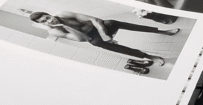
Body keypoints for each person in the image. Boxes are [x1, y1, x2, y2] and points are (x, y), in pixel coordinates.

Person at [28, 11, 178, 65]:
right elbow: (81, 39)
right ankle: (149, 56)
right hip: (90, 36)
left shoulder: (63, 13)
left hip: (99, 28)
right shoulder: (54, 32)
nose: (49, 21)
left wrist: (105, 33)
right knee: (98, 44)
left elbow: (94, 19)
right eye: (45, 22)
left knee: (112, 22)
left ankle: (161, 31)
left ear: (49, 14)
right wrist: (65, 26)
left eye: (47, 17)